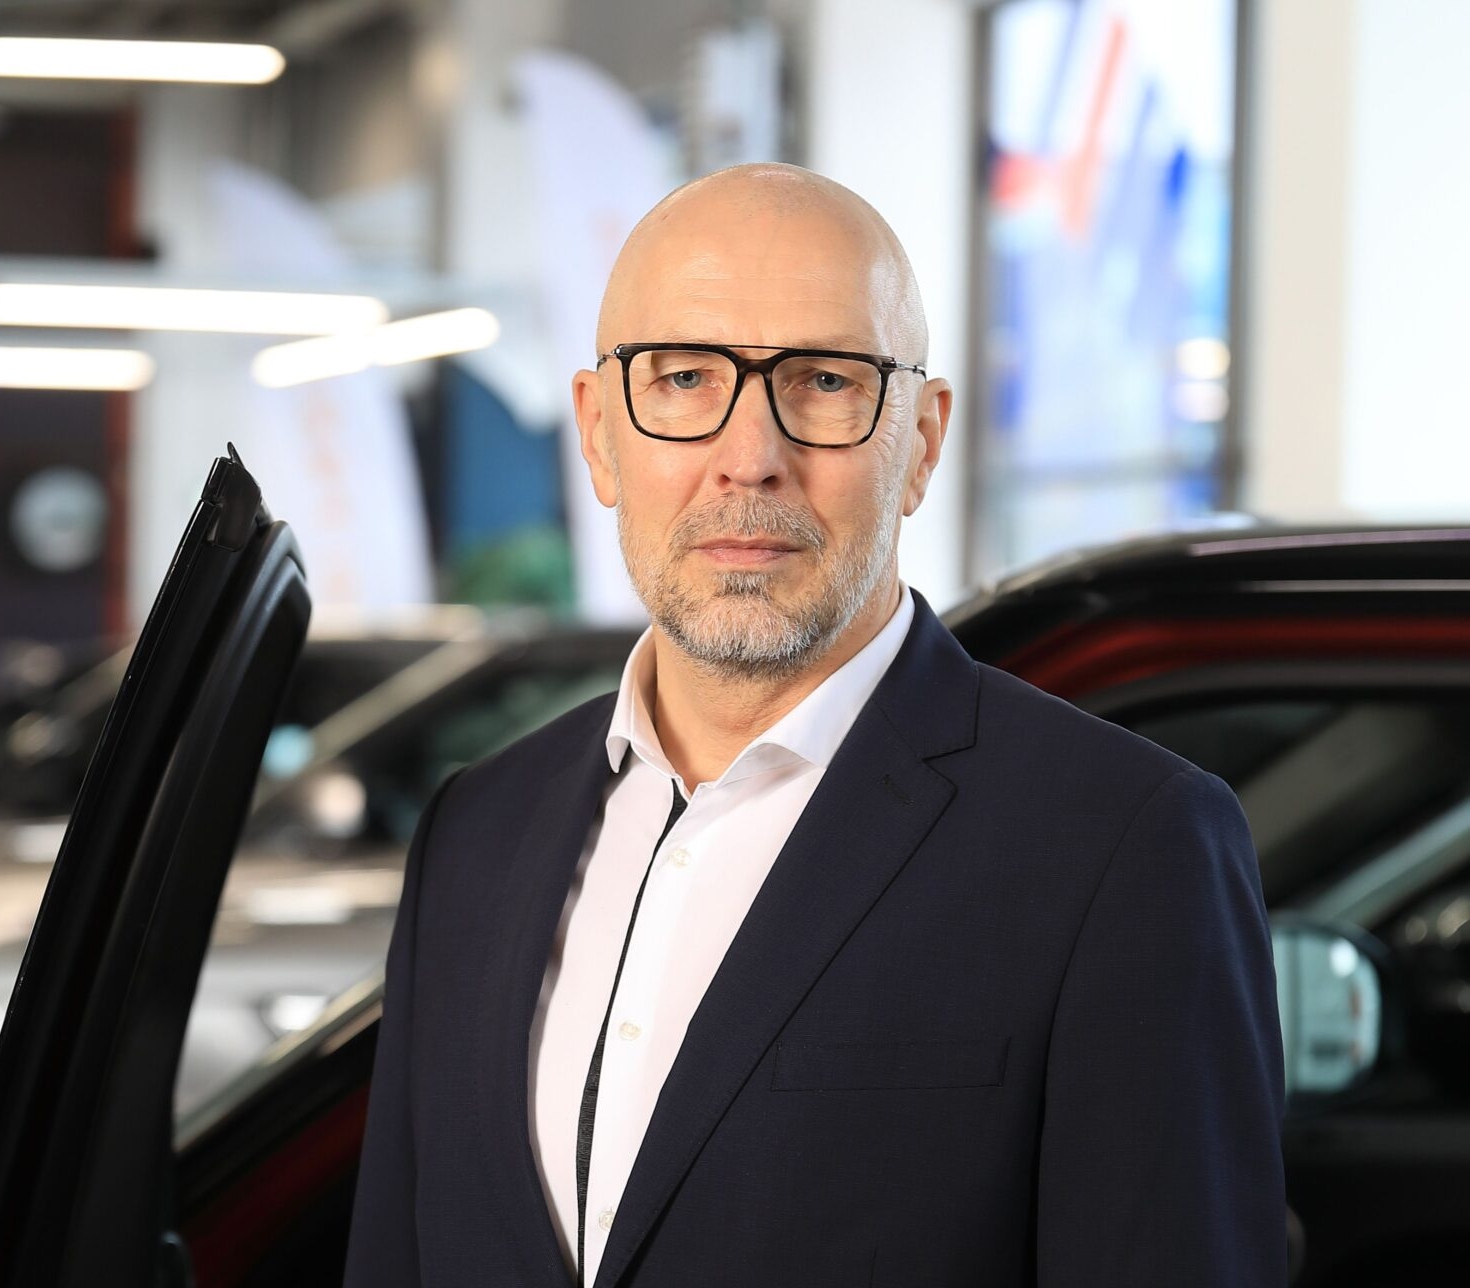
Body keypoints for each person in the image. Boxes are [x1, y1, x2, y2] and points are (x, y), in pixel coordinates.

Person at [343, 163, 1286, 1288]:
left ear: (921, 443)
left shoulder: (1124, 847)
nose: (750, 457)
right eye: (684, 378)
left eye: (826, 381)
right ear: (597, 434)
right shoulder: (476, 833)